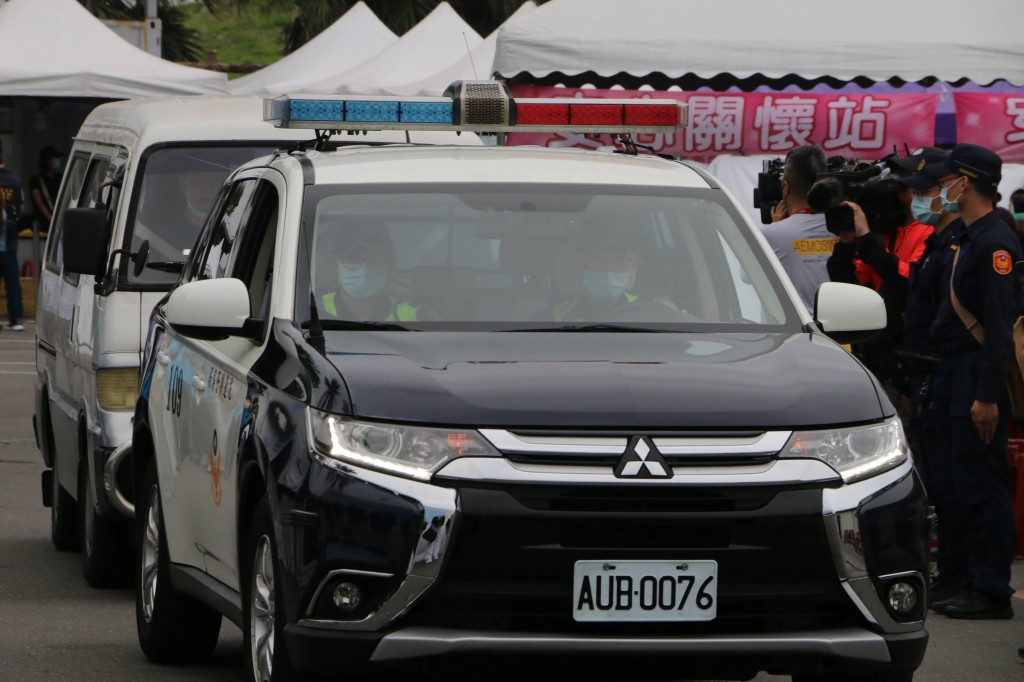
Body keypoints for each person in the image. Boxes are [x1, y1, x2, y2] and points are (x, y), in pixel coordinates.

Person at [922, 144, 1019, 620]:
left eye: (947, 181)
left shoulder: (995, 243)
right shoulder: (965, 236)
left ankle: (992, 588)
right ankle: (961, 577)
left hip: (976, 373)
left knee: (982, 483)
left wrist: (986, 395)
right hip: (952, 371)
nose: (940, 189)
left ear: (967, 181)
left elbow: (1000, 327)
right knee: (955, 482)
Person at [760, 144, 833, 313]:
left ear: (786, 187)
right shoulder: (844, 228)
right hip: (839, 331)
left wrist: (775, 226)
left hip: (792, 330)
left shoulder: (771, 234)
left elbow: (747, 276)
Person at [318, 215, 420, 322]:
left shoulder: (415, 315)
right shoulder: (315, 312)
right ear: (335, 265)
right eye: (354, 260)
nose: (364, 270)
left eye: (373, 260)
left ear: (388, 267)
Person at [548, 239, 640, 322]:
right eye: (599, 259)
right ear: (582, 266)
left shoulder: (644, 311)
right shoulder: (554, 318)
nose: (609, 269)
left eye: (619, 260)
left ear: (632, 268)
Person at [0, 141, 25, 331]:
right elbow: (21, 208)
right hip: (11, 235)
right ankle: (16, 319)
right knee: (12, 278)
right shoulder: (15, 181)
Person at [28, 145, 64, 230]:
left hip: (58, 220)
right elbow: (40, 204)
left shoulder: (60, 178)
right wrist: (52, 220)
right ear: (47, 160)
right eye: (54, 157)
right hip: (42, 223)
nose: (57, 160)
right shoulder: (36, 180)